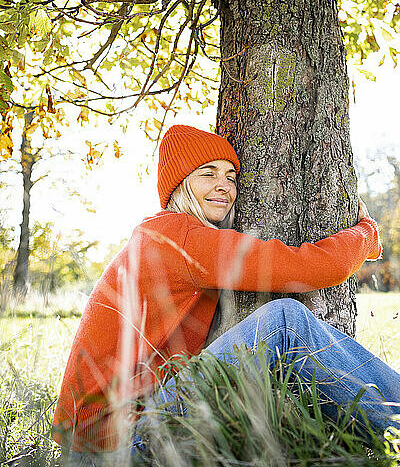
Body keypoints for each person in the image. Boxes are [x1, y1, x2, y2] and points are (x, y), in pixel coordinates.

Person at [52, 124, 400, 465]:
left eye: (231, 176)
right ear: (180, 184)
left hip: (104, 441)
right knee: (284, 322)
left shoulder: (161, 235)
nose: (224, 186)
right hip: (117, 444)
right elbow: (310, 270)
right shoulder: (180, 238)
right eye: (208, 174)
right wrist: (366, 233)